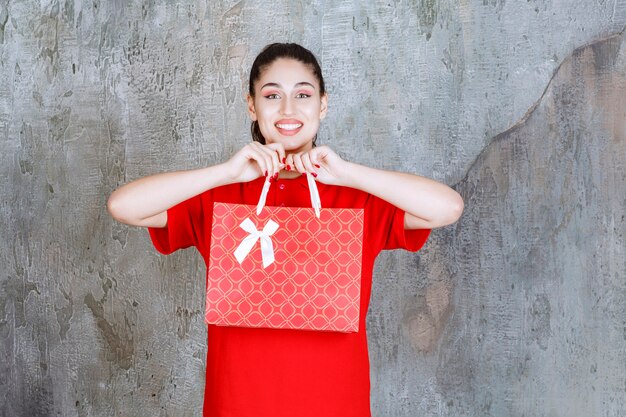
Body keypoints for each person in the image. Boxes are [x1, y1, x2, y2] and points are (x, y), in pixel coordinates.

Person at [107, 43, 463, 417]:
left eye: (303, 95)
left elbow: (447, 208)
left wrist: (348, 173)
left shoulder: (357, 199)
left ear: (322, 105)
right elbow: (123, 206)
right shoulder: (220, 197)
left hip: (335, 404)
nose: (288, 109)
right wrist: (226, 173)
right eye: (272, 94)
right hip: (237, 404)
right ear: (252, 106)